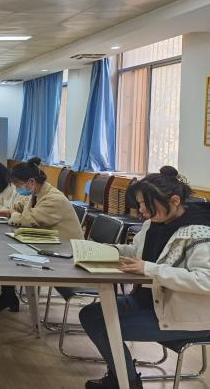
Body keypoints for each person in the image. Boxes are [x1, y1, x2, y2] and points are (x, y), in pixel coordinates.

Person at [80, 167, 210, 389]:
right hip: (151, 302)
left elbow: (205, 280)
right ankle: (121, 376)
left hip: (185, 316)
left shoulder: (200, 231)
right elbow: (137, 252)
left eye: (145, 204)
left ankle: (127, 382)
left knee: (104, 326)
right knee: (89, 315)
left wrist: (151, 269)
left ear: (175, 200)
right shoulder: (155, 222)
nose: (141, 210)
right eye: (140, 203)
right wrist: (107, 251)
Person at [0, 157, 83, 312]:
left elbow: (27, 220)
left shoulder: (53, 199)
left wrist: (12, 214)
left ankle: (8, 296)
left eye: (18, 184)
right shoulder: (36, 193)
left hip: (64, 250)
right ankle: (7, 296)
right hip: (46, 242)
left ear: (31, 182)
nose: (17, 188)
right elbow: (18, 207)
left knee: (7, 253)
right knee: (4, 249)